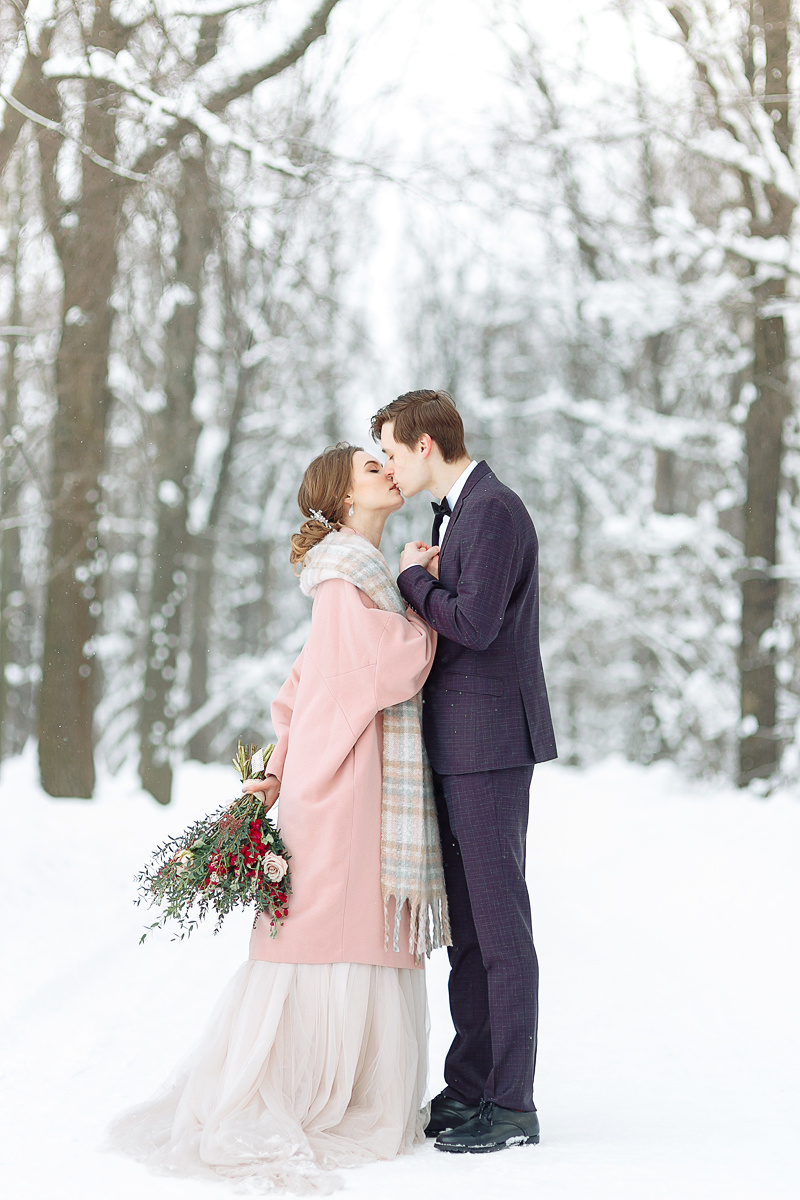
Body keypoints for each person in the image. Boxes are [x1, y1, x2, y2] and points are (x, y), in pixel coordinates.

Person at [108, 443, 449, 1193]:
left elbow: (300, 687)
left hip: (343, 776)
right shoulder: (347, 574)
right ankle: (311, 1094)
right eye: (370, 469)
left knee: (343, 932)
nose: (387, 471)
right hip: (345, 783)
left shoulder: (351, 570)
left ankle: (343, 1088)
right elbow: (388, 668)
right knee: (334, 933)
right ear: (342, 497)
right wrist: (415, 588)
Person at [371, 390, 557, 1154]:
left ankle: (511, 1104)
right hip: (458, 744)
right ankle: (471, 1084)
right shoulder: (461, 512)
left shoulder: (493, 509)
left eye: (389, 451)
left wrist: (413, 579)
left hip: (490, 744)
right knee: (470, 935)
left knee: (501, 929)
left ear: (424, 444)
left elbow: (476, 624)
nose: (386, 465)